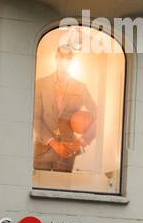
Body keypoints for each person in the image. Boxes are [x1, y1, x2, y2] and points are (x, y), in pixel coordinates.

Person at [32, 30, 98, 173]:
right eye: (62, 57)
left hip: (68, 151)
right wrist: (54, 143)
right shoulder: (41, 84)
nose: (64, 61)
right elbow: (35, 118)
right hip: (42, 149)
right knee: (38, 186)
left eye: (68, 58)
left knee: (61, 188)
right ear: (56, 58)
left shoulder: (80, 87)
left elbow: (100, 117)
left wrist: (80, 142)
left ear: (72, 60)